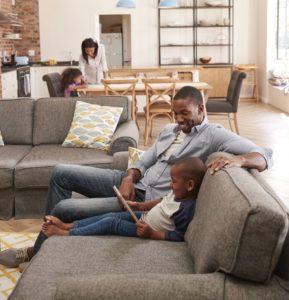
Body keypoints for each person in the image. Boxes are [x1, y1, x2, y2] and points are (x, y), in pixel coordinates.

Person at [0, 86, 272, 268]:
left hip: (147, 200)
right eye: (175, 113)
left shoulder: (213, 135)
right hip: (130, 182)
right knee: (60, 172)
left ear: (201, 109)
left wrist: (239, 159)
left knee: (64, 208)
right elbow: (146, 159)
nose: (179, 119)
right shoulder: (169, 130)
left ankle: (39, 253)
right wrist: (130, 176)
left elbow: (263, 154)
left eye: (185, 113)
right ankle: (46, 248)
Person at [41, 157, 206, 242]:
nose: (170, 185)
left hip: (145, 230)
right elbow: (162, 201)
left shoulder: (186, 208)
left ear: (190, 185)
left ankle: (68, 234)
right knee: (110, 216)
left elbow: (178, 236)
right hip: (142, 216)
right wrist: (139, 205)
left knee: (111, 223)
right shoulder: (177, 193)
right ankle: (69, 225)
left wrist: (151, 233)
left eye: (174, 182)